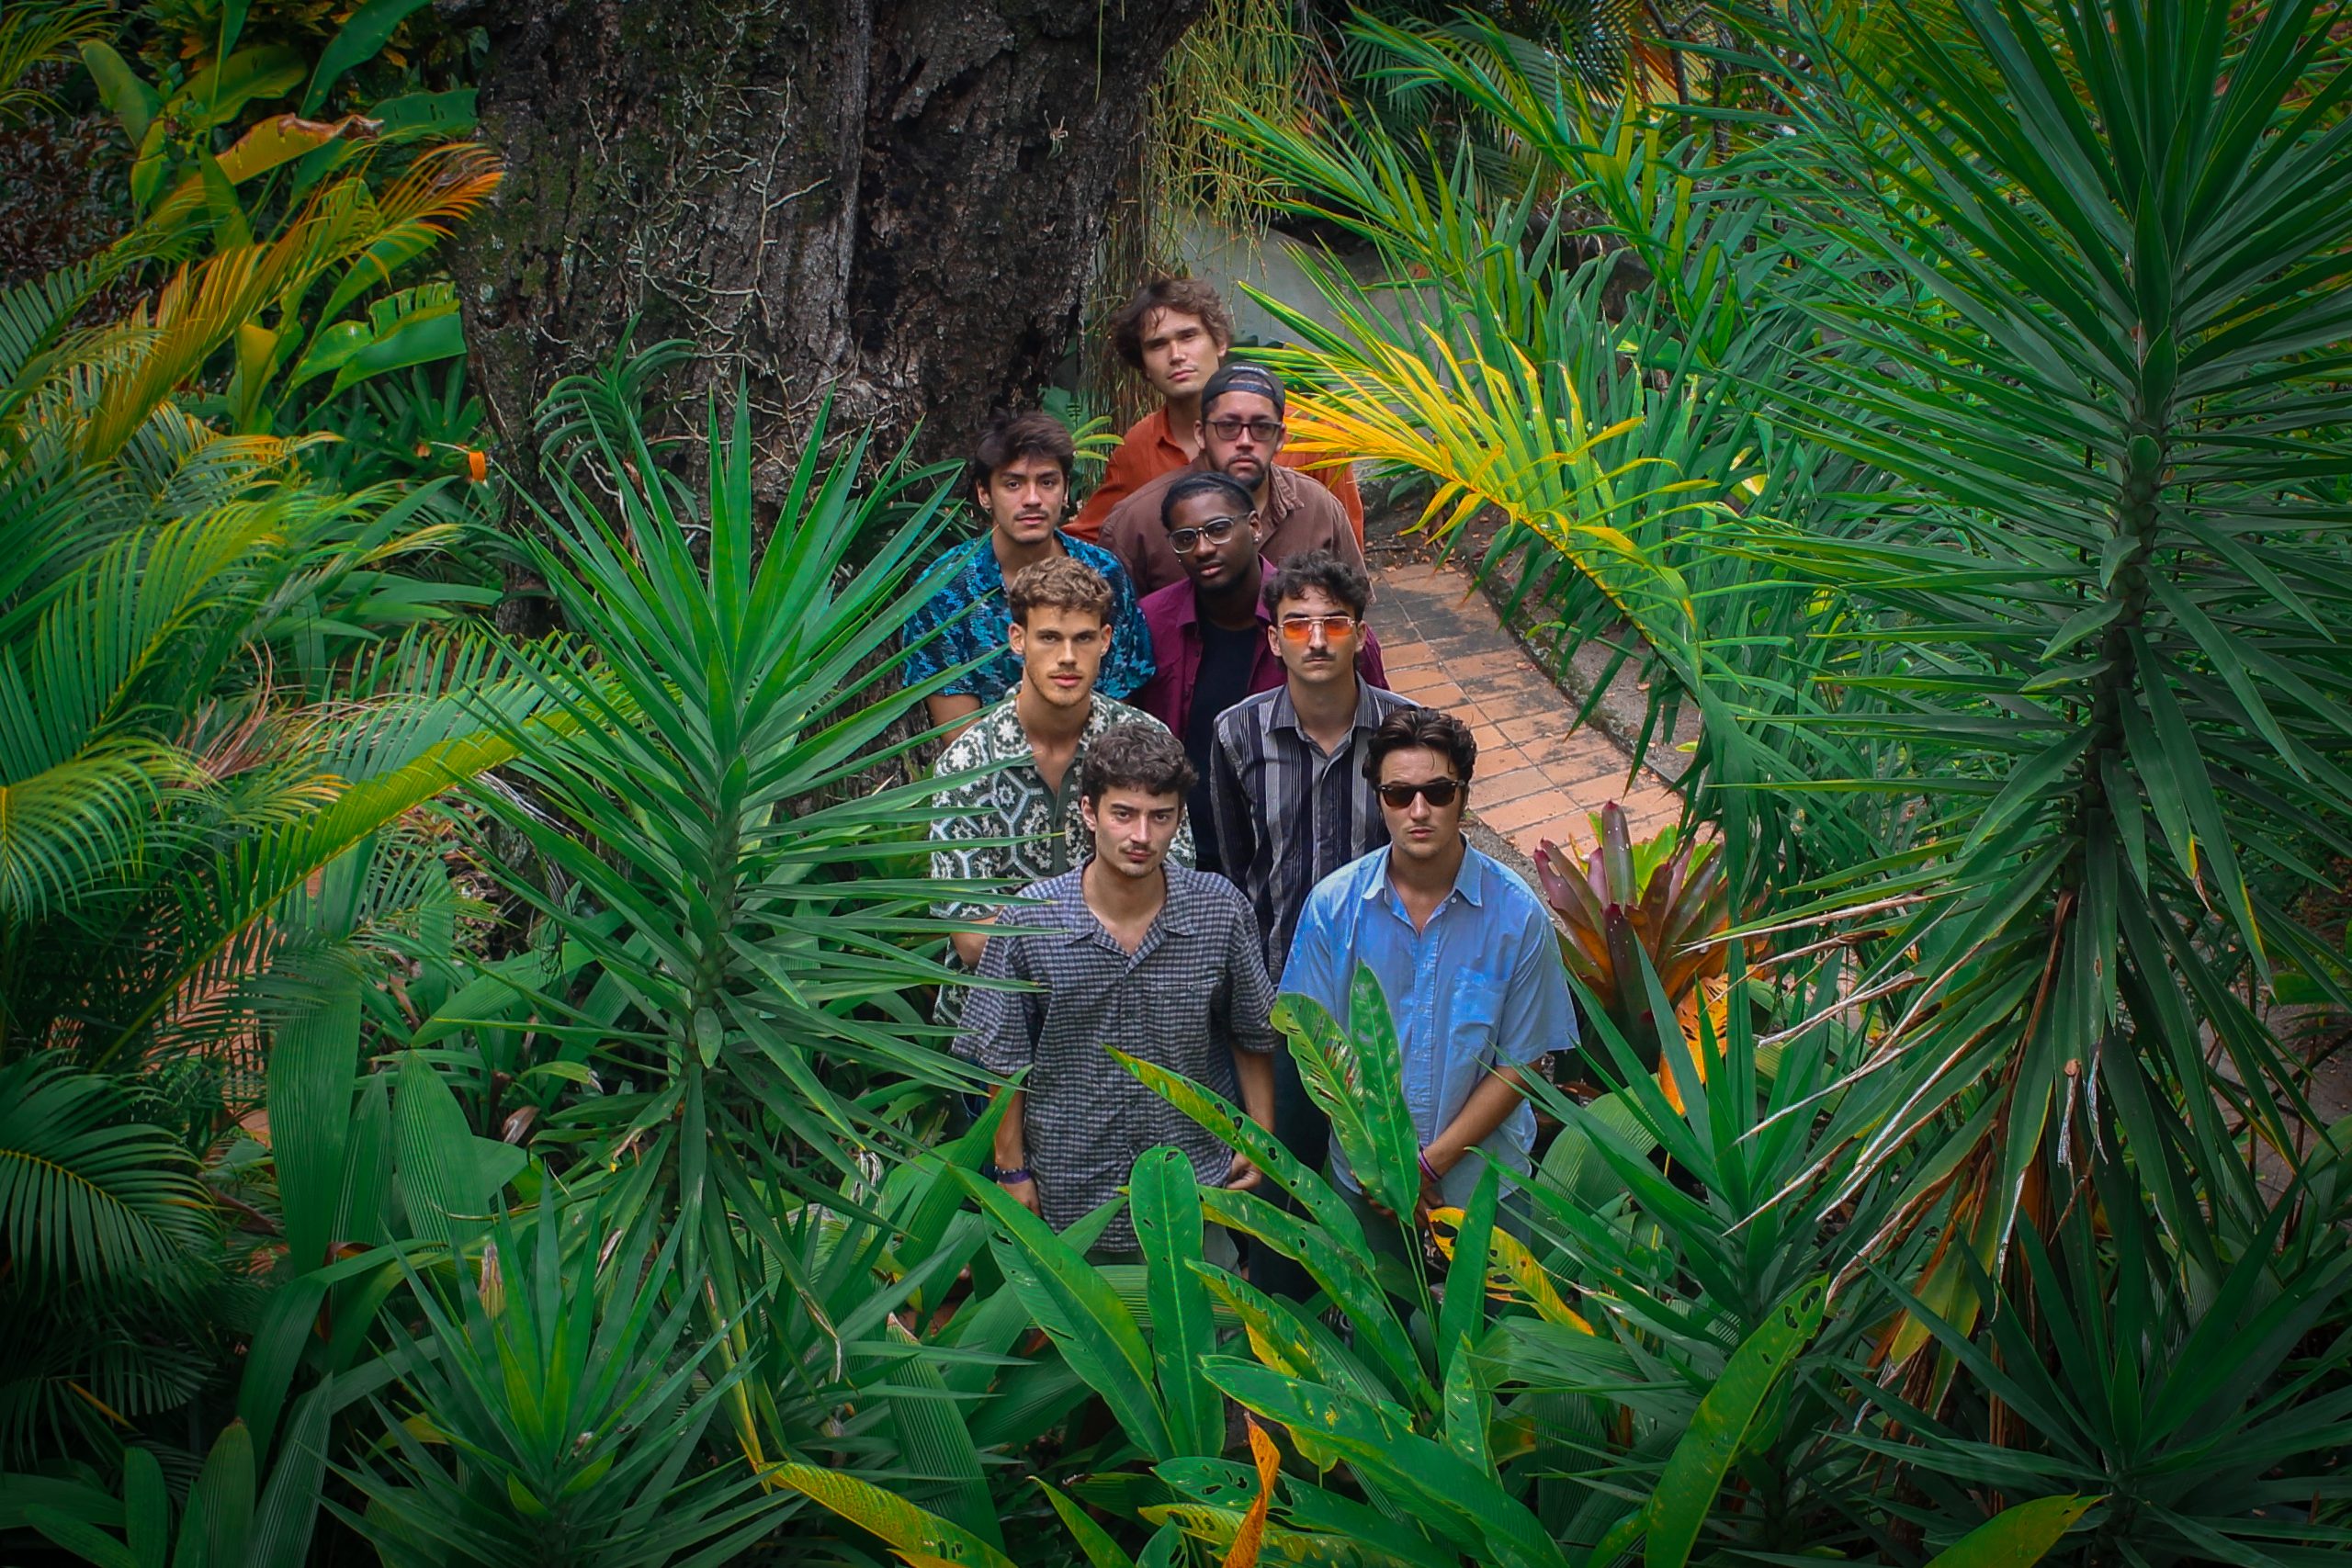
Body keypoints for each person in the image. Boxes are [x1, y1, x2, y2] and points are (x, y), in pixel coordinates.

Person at [955, 723, 1278, 1262]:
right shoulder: (1032, 921)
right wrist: (1011, 1170)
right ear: (1089, 812)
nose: (1142, 836)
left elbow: (1251, 1030)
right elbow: (1003, 1058)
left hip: (1194, 1183)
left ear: (1180, 818)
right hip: (1070, 1192)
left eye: (1160, 816)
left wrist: (1260, 1133)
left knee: (1208, 1311)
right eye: (1123, 814)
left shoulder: (1219, 910)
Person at [1282, 706, 1577, 1249]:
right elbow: (1313, 1046)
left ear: (1464, 797)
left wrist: (1426, 1166)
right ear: (1379, 799)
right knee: (1376, 1306)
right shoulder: (1332, 909)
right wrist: (1384, 1164)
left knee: (1492, 1308)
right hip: (1366, 1184)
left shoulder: (1517, 916)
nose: (1419, 811)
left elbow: (1523, 1063)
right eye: (1399, 794)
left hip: (1487, 1188)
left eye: (1438, 792)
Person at [1206, 549, 1412, 1297]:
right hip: (1278, 1001)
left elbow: (1428, 860)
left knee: (1386, 1179)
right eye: (1298, 624)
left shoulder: (1408, 733)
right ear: (1274, 638)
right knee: (1282, 1177)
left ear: (1361, 633)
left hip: (1385, 998)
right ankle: (1282, 1326)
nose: (1317, 639)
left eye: (1335, 622)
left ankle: (1384, 1320)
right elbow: (1232, 865)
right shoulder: (1237, 734)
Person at [929, 558, 1192, 1025]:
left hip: (1122, 1017)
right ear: (1018, 640)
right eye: (1049, 637)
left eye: (1083, 639)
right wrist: (1109, 924)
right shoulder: (968, 765)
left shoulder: (1145, 741)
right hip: (995, 1023)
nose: (1067, 656)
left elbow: (1175, 893)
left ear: (1106, 640)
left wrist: (1032, 932)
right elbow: (972, 939)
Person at [1135, 481, 1387, 875]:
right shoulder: (1151, 623)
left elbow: (1381, 737)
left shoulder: (1325, 625)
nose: (1203, 548)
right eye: (1186, 539)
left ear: (1254, 526)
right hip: (1189, 853)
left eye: (1218, 529)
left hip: (1319, 852)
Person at [903, 411, 1154, 738]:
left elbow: (1118, 707)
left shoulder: (1105, 574)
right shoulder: (944, 590)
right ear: (984, 494)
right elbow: (960, 737)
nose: (1032, 499)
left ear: (1065, 490)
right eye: (1013, 484)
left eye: (1047, 482)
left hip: (1099, 758)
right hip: (990, 763)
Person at [1069, 276, 1363, 543]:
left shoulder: (1311, 429)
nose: (1176, 355)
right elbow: (1085, 540)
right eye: (1158, 345)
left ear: (1220, 342)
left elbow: (1347, 540)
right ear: (1143, 365)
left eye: (1188, 336)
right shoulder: (1137, 448)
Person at [1096, 362, 1367, 597]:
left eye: (1262, 427)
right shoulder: (1138, 523)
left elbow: (1354, 608)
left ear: (1281, 438)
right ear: (1201, 434)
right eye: (1228, 427)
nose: (1245, 441)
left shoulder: (1318, 508)